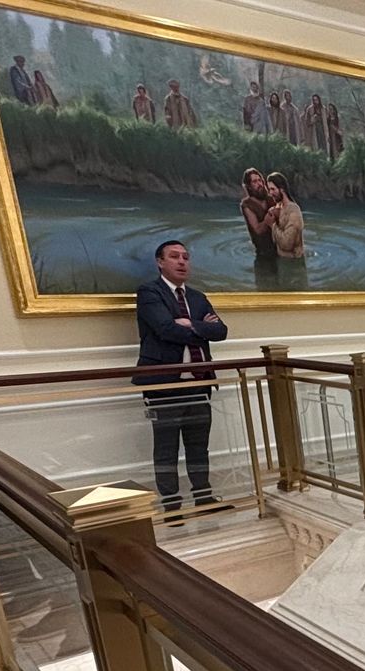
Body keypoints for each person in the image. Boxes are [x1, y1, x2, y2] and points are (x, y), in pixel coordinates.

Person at [133, 240, 229, 516]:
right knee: (166, 447)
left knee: (199, 445)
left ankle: (203, 497)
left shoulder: (197, 297)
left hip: (198, 383)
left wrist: (189, 324)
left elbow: (221, 331)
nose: (182, 262)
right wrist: (201, 328)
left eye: (186, 257)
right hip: (164, 384)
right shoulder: (150, 292)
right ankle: (172, 504)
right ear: (160, 262)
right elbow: (164, 330)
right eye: (174, 256)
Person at [240, 168, 278, 265]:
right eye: (254, 182)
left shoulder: (270, 198)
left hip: (279, 247)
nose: (259, 184)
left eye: (260, 180)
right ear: (249, 186)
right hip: (263, 252)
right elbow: (257, 229)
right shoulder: (247, 205)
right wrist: (268, 218)